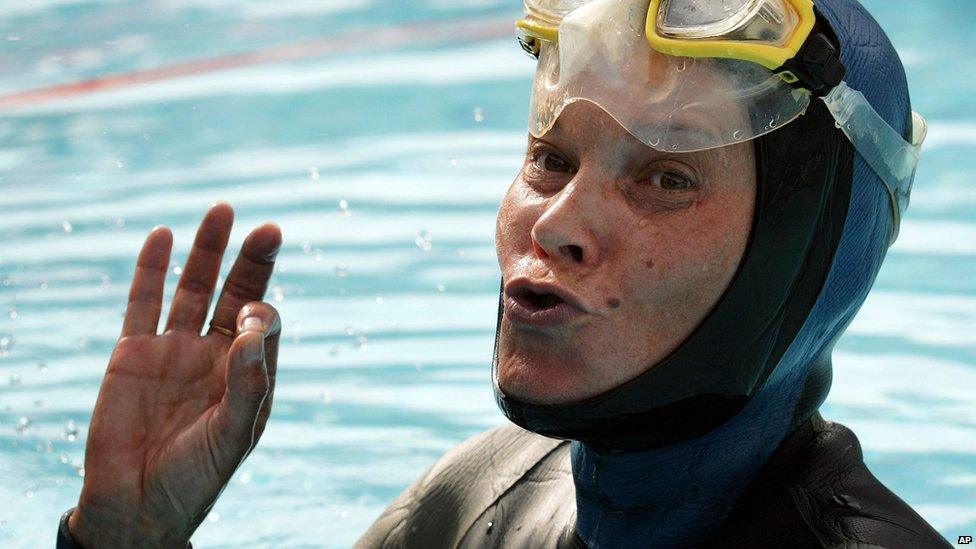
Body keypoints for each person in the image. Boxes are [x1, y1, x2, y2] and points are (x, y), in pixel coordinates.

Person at [56, 0, 952, 547]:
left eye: (668, 176)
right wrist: (123, 541)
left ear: (805, 252)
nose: (556, 222)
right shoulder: (480, 503)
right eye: (550, 158)